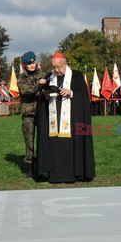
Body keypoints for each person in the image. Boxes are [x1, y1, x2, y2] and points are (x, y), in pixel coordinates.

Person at [35, 52, 95, 183]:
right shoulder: (49, 77)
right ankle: (52, 173)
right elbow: (41, 99)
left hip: (72, 121)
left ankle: (76, 173)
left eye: (59, 67)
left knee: (73, 147)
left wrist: (71, 92)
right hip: (53, 123)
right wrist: (43, 89)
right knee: (53, 146)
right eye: (54, 67)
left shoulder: (77, 76)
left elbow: (83, 96)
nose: (56, 70)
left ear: (65, 64)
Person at [18, 51, 45, 176]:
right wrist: (39, 86)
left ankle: (43, 164)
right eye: (29, 64)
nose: (32, 65)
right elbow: (25, 91)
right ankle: (29, 165)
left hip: (42, 111)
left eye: (33, 62)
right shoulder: (21, 78)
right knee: (29, 140)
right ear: (25, 65)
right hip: (29, 113)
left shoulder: (43, 74)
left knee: (44, 139)